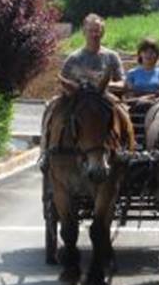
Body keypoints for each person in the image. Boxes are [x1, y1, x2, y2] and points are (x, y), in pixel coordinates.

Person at [39, 13, 124, 171]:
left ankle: (124, 147)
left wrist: (106, 86)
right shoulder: (74, 58)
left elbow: (122, 82)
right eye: (91, 30)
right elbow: (62, 82)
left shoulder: (112, 57)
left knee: (122, 111)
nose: (94, 34)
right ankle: (45, 151)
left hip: (103, 97)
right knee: (51, 107)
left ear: (102, 32)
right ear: (84, 32)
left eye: (97, 30)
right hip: (77, 99)